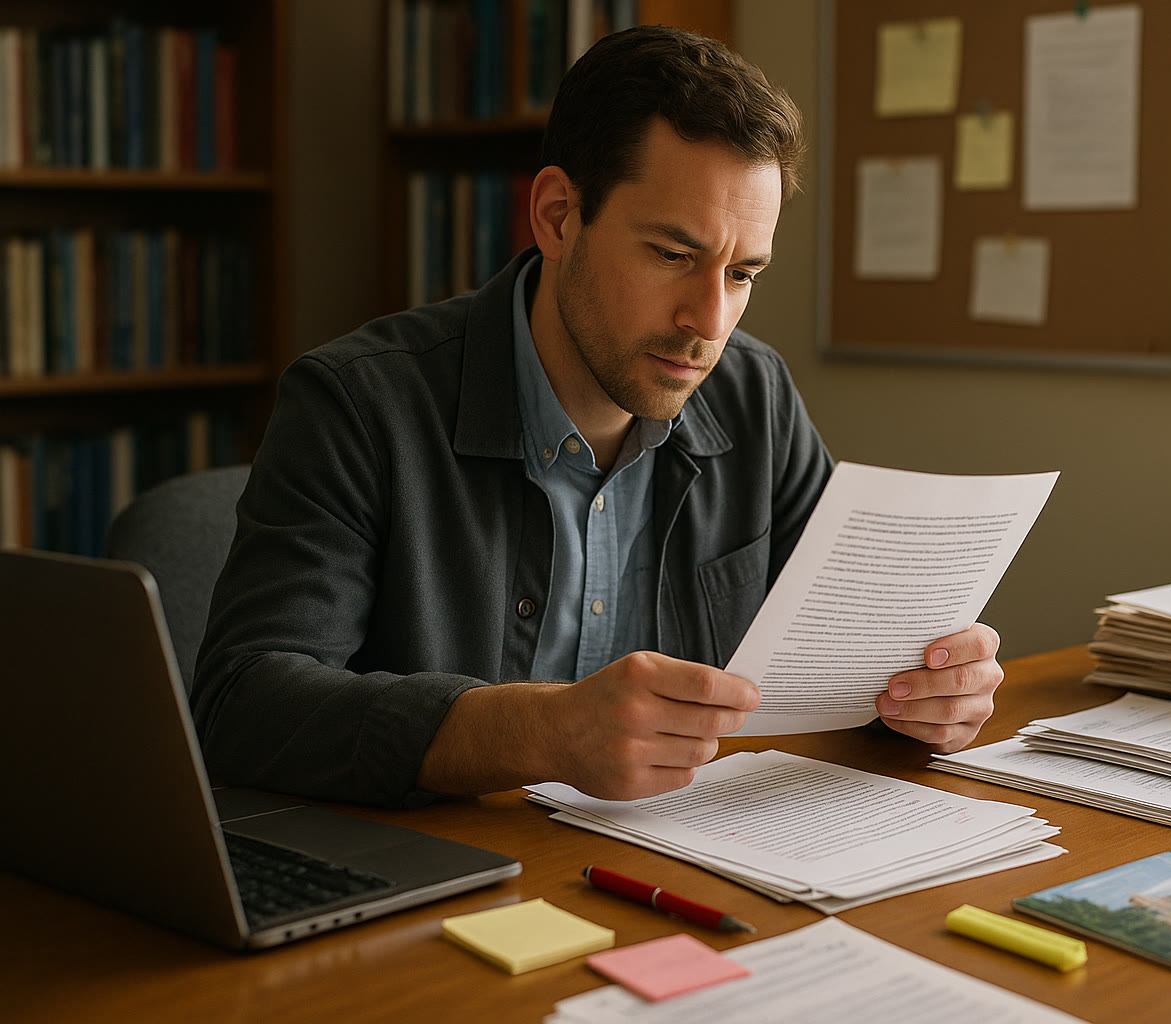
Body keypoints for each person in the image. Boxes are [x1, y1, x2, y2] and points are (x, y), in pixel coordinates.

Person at [193, 25, 1003, 809]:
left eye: (743, 272)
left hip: (682, 872)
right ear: (555, 215)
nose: (709, 320)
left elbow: (841, 658)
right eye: (674, 255)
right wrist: (540, 732)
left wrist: (926, 695)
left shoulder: (755, 394)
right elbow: (244, 704)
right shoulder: (356, 405)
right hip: (447, 890)